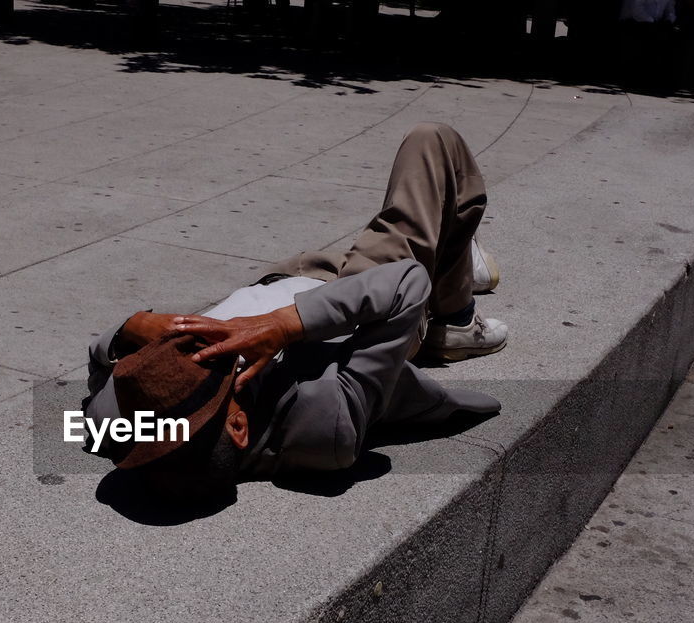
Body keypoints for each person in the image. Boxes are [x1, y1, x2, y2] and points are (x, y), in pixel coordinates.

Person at [82, 123, 505, 502]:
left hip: (289, 275)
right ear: (239, 426)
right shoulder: (325, 422)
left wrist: (130, 328)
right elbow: (404, 285)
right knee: (432, 145)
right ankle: (455, 314)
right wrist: (284, 325)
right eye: (195, 382)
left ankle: (457, 267)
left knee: (432, 230)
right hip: (360, 300)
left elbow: (99, 365)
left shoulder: (121, 424)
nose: (173, 353)